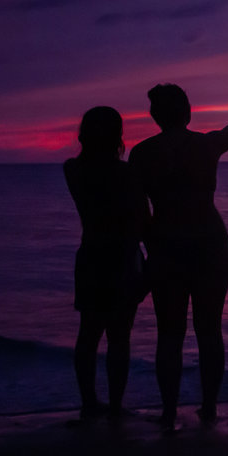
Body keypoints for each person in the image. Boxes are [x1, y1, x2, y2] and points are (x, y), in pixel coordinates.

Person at [129, 84, 228, 430]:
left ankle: (169, 412)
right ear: (187, 112)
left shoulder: (141, 154)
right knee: (209, 330)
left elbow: (139, 216)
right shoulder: (205, 145)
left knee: (169, 334)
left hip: (167, 248)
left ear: (155, 115)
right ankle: (209, 408)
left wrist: (150, 253)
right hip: (211, 246)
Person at [64, 106, 150, 421]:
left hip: (90, 256)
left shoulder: (72, 169)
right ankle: (115, 406)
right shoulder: (126, 174)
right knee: (119, 336)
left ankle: (89, 403)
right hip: (123, 258)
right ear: (118, 135)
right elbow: (142, 220)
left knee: (88, 333)